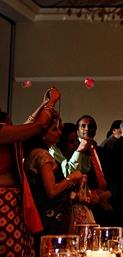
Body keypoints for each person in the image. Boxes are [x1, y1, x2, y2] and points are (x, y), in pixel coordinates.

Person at [0, 91, 56, 257]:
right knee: (11, 249)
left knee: (22, 247)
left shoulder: (6, 133)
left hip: (13, 200)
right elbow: (38, 126)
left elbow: (29, 123)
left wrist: (43, 103)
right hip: (3, 202)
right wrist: (51, 102)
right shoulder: (2, 133)